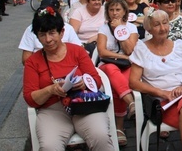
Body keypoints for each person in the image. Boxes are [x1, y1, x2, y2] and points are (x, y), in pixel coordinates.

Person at [23, 8, 114, 150]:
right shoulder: (33, 62)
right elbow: (30, 98)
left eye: (52, 33)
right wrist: (50, 90)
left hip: (83, 105)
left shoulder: (76, 51)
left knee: (100, 137)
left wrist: (84, 83)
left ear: (62, 32)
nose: (48, 39)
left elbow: (96, 80)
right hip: (52, 110)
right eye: (42, 35)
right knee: (49, 146)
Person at [129, 10, 182, 151]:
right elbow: (133, 82)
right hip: (163, 102)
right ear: (149, 29)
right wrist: (162, 93)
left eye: (165, 23)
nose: (162, 28)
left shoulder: (179, 46)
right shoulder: (141, 48)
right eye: (157, 25)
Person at [97, 0, 138, 146]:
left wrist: (119, 30)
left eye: (118, 10)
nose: (114, 13)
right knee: (111, 70)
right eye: (111, 10)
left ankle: (119, 128)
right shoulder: (103, 28)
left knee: (118, 84)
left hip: (127, 65)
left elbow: (130, 49)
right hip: (108, 64)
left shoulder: (131, 28)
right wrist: (120, 56)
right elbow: (102, 52)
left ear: (125, 11)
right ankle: (131, 103)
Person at [19, 0, 82, 65]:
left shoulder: (68, 28)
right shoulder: (31, 29)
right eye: (44, 11)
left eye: (51, 11)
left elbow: (79, 51)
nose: (48, 39)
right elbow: (26, 60)